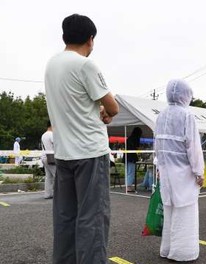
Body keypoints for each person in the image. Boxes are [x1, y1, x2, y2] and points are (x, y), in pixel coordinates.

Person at [44, 14, 119, 264]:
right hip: (90, 153)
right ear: (90, 39)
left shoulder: (52, 65)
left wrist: (97, 111)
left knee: (65, 218)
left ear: (64, 36)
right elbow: (113, 107)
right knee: (92, 219)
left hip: (64, 154)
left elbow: (74, 105)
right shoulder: (86, 65)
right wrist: (105, 111)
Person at [155, 79, 204, 261]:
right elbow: (193, 147)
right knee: (185, 211)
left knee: (169, 209)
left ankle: (167, 248)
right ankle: (183, 252)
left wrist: (159, 166)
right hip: (183, 172)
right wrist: (199, 171)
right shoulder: (187, 116)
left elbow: (157, 145)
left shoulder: (160, 116)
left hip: (166, 170)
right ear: (186, 95)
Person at [41, 121, 55, 199]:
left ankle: (47, 194)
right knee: (57, 175)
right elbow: (56, 144)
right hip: (51, 157)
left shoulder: (43, 135)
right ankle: (59, 194)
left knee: (48, 176)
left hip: (44, 157)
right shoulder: (51, 134)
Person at [126, 127, 142, 192]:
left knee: (128, 172)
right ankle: (128, 187)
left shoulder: (129, 138)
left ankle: (128, 185)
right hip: (132, 157)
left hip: (126, 156)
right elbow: (137, 147)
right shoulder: (136, 138)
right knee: (131, 172)